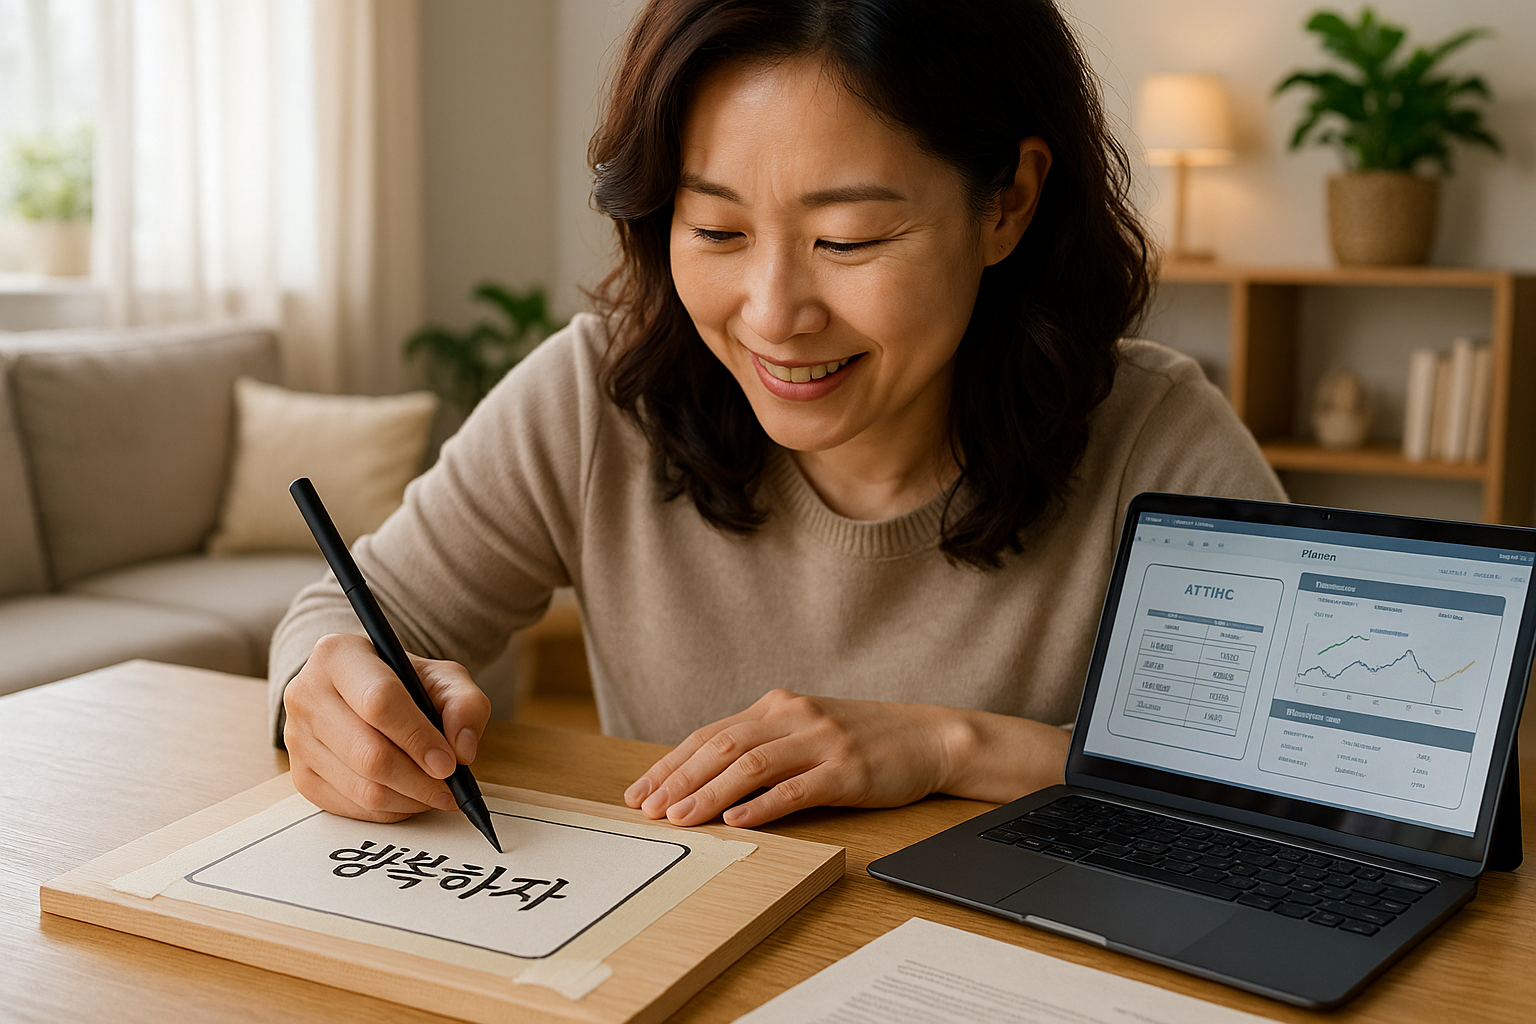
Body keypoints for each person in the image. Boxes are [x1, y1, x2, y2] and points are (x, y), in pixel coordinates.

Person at [271, 0, 1284, 832]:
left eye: (847, 239)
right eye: (715, 227)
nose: (773, 315)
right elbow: (351, 613)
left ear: (1008, 203)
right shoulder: (596, 397)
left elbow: (1313, 797)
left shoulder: (1154, 437)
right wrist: (325, 697)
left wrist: (947, 745)